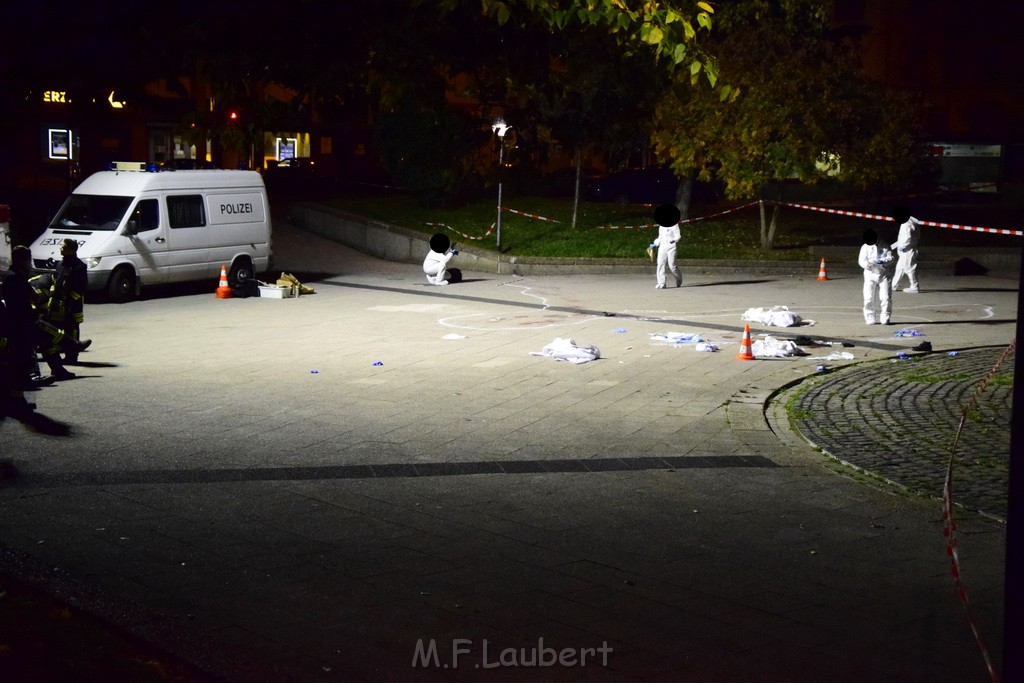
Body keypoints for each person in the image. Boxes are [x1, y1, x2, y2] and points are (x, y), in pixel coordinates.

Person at [46, 238, 89, 362]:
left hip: (71, 305)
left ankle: (71, 356)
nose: (60, 248)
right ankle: (56, 354)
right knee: (55, 330)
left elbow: (81, 288)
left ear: (71, 250)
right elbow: (56, 281)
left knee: (72, 329)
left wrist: (69, 302)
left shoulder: (79, 266)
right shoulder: (60, 265)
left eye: (63, 247)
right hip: (57, 304)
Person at [857, 227, 895, 325]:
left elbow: (891, 258)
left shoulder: (885, 245)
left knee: (885, 297)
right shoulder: (865, 247)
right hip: (870, 274)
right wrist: (866, 265)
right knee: (868, 297)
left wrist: (881, 262)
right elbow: (861, 260)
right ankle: (869, 316)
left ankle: (885, 316)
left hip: (884, 274)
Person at [890, 206, 922, 293]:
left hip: (907, 250)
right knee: (900, 268)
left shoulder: (906, 223)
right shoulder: (913, 222)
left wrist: (902, 247)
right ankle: (893, 285)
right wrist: (893, 246)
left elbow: (906, 237)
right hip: (907, 249)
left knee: (909, 268)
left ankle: (914, 287)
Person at [650, 204, 682, 289]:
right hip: (662, 247)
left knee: (672, 265)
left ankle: (679, 279)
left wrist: (674, 240)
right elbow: (660, 237)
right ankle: (661, 283)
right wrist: (655, 244)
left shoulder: (674, 225)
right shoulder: (661, 226)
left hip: (671, 246)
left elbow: (678, 236)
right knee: (660, 264)